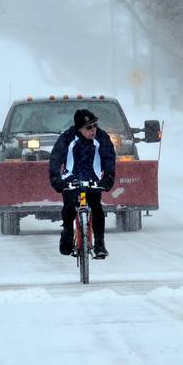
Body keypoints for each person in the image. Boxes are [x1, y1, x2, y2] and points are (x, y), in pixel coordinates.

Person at [49, 108, 116, 258]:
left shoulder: (102, 138)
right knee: (69, 209)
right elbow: (55, 158)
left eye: (95, 125)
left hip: (93, 180)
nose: (93, 130)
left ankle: (99, 244)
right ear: (79, 129)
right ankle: (67, 233)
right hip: (71, 180)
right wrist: (56, 179)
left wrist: (109, 177)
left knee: (97, 208)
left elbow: (109, 157)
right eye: (89, 127)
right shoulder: (67, 138)